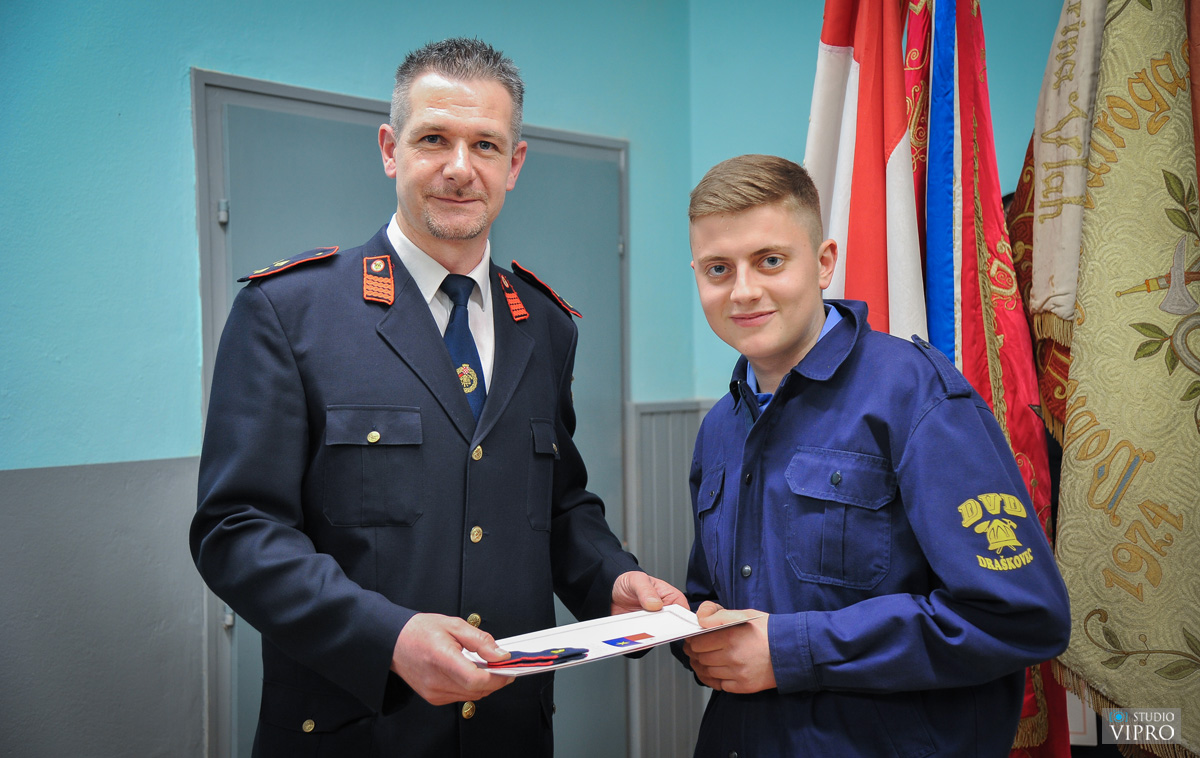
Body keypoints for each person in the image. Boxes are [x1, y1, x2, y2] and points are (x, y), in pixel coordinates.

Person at [190, 38, 683, 756]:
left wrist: (614, 580)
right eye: (433, 139)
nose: (460, 167)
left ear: (514, 164)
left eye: (485, 144)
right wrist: (385, 637)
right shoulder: (291, 314)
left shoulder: (545, 326)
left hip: (510, 728)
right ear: (391, 150)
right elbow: (236, 530)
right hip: (360, 730)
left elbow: (558, 505)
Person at [677, 154, 1071, 757]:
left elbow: (1020, 616)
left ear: (824, 262)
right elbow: (719, 600)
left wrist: (791, 651)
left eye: (771, 260)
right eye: (718, 269)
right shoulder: (720, 428)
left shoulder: (914, 396)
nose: (744, 290)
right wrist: (688, 626)